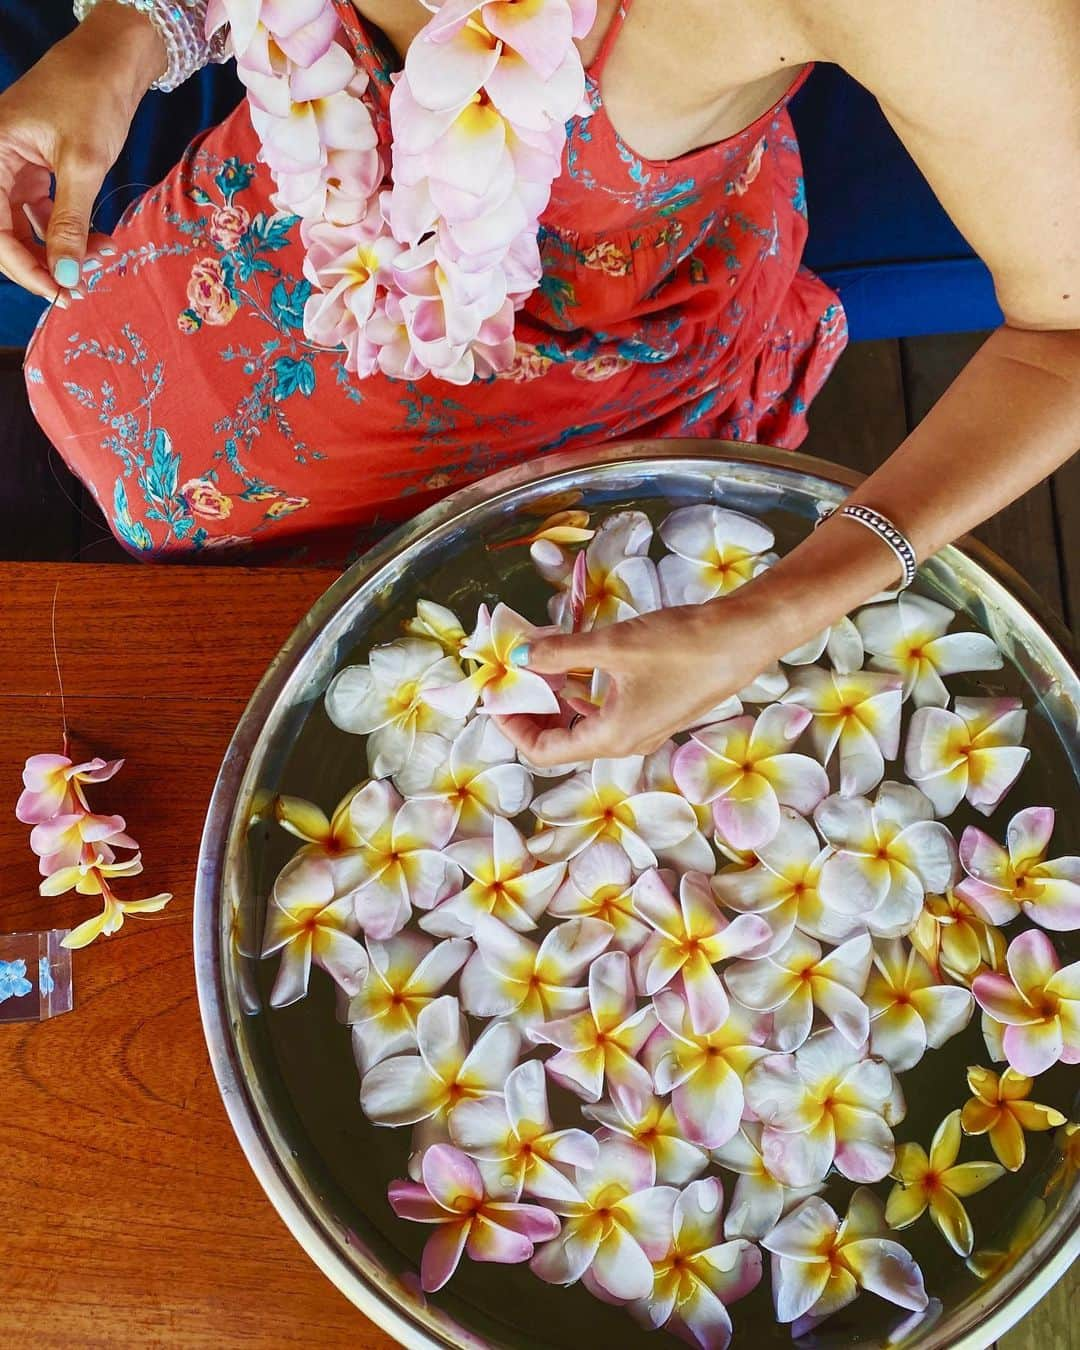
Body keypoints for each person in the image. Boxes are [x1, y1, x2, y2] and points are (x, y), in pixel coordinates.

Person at [0, 0, 1077, 765]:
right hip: (149, 330)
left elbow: (1067, 333)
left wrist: (773, 614)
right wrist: (134, 31)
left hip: (510, 508)